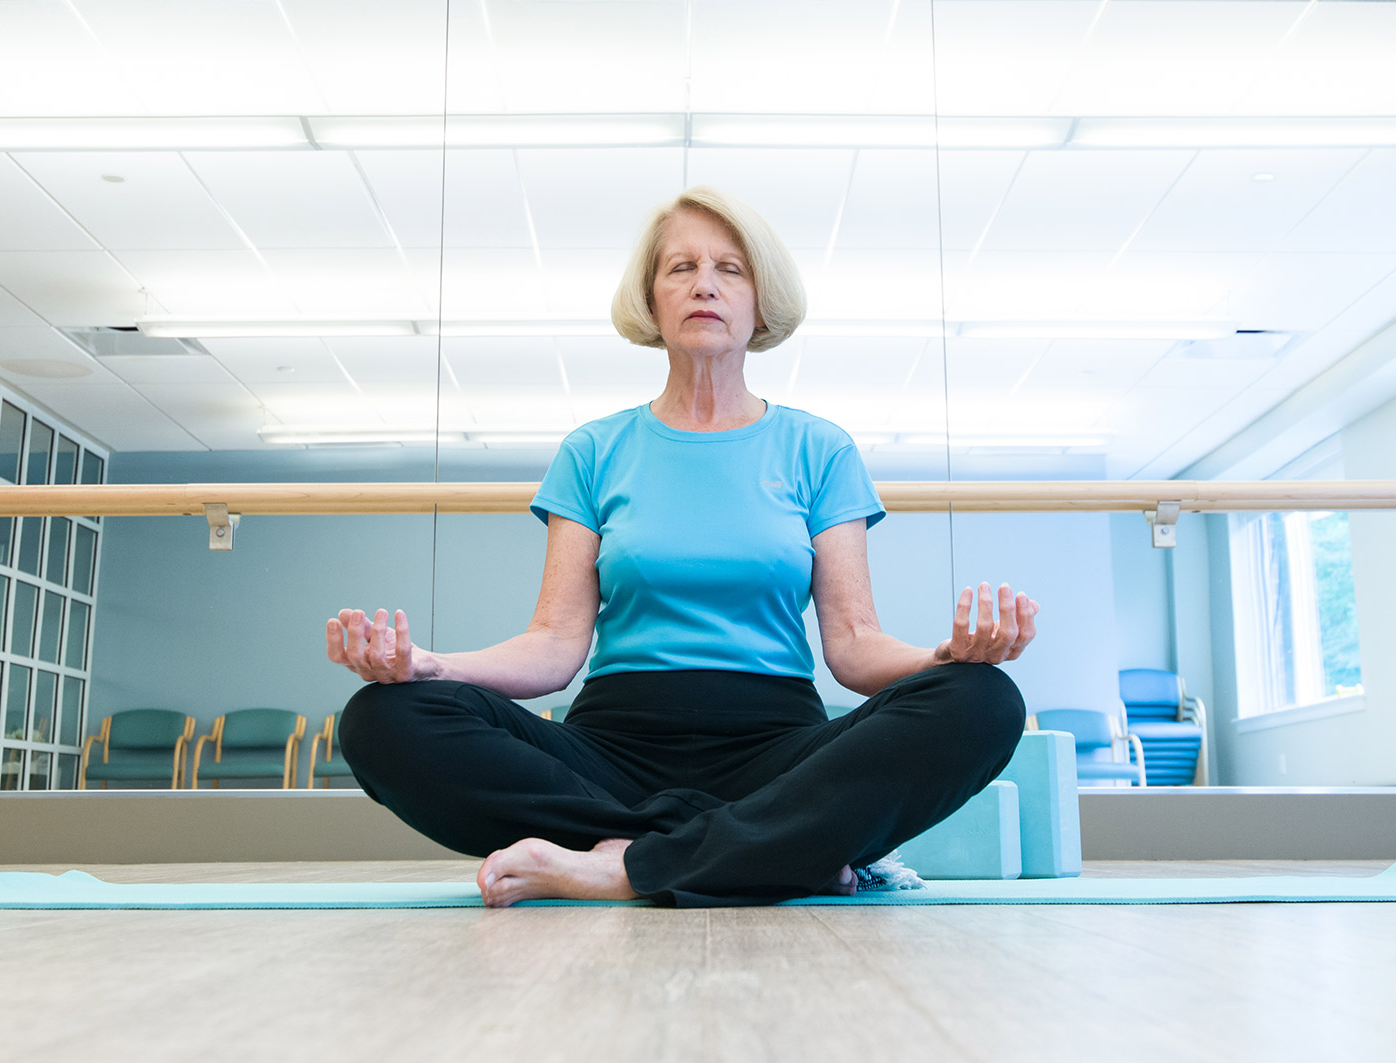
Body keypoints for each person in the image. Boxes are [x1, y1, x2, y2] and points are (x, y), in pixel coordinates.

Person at [323, 186, 1038, 908]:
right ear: (652, 302)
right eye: (681, 268)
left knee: (982, 701)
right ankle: (767, 850)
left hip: (779, 753)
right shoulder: (594, 450)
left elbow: (854, 646)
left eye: (730, 268)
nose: (704, 283)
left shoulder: (819, 449)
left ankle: (620, 865)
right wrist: (430, 667)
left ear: (761, 303)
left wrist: (945, 660)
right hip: (610, 754)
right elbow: (553, 644)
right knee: (382, 717)